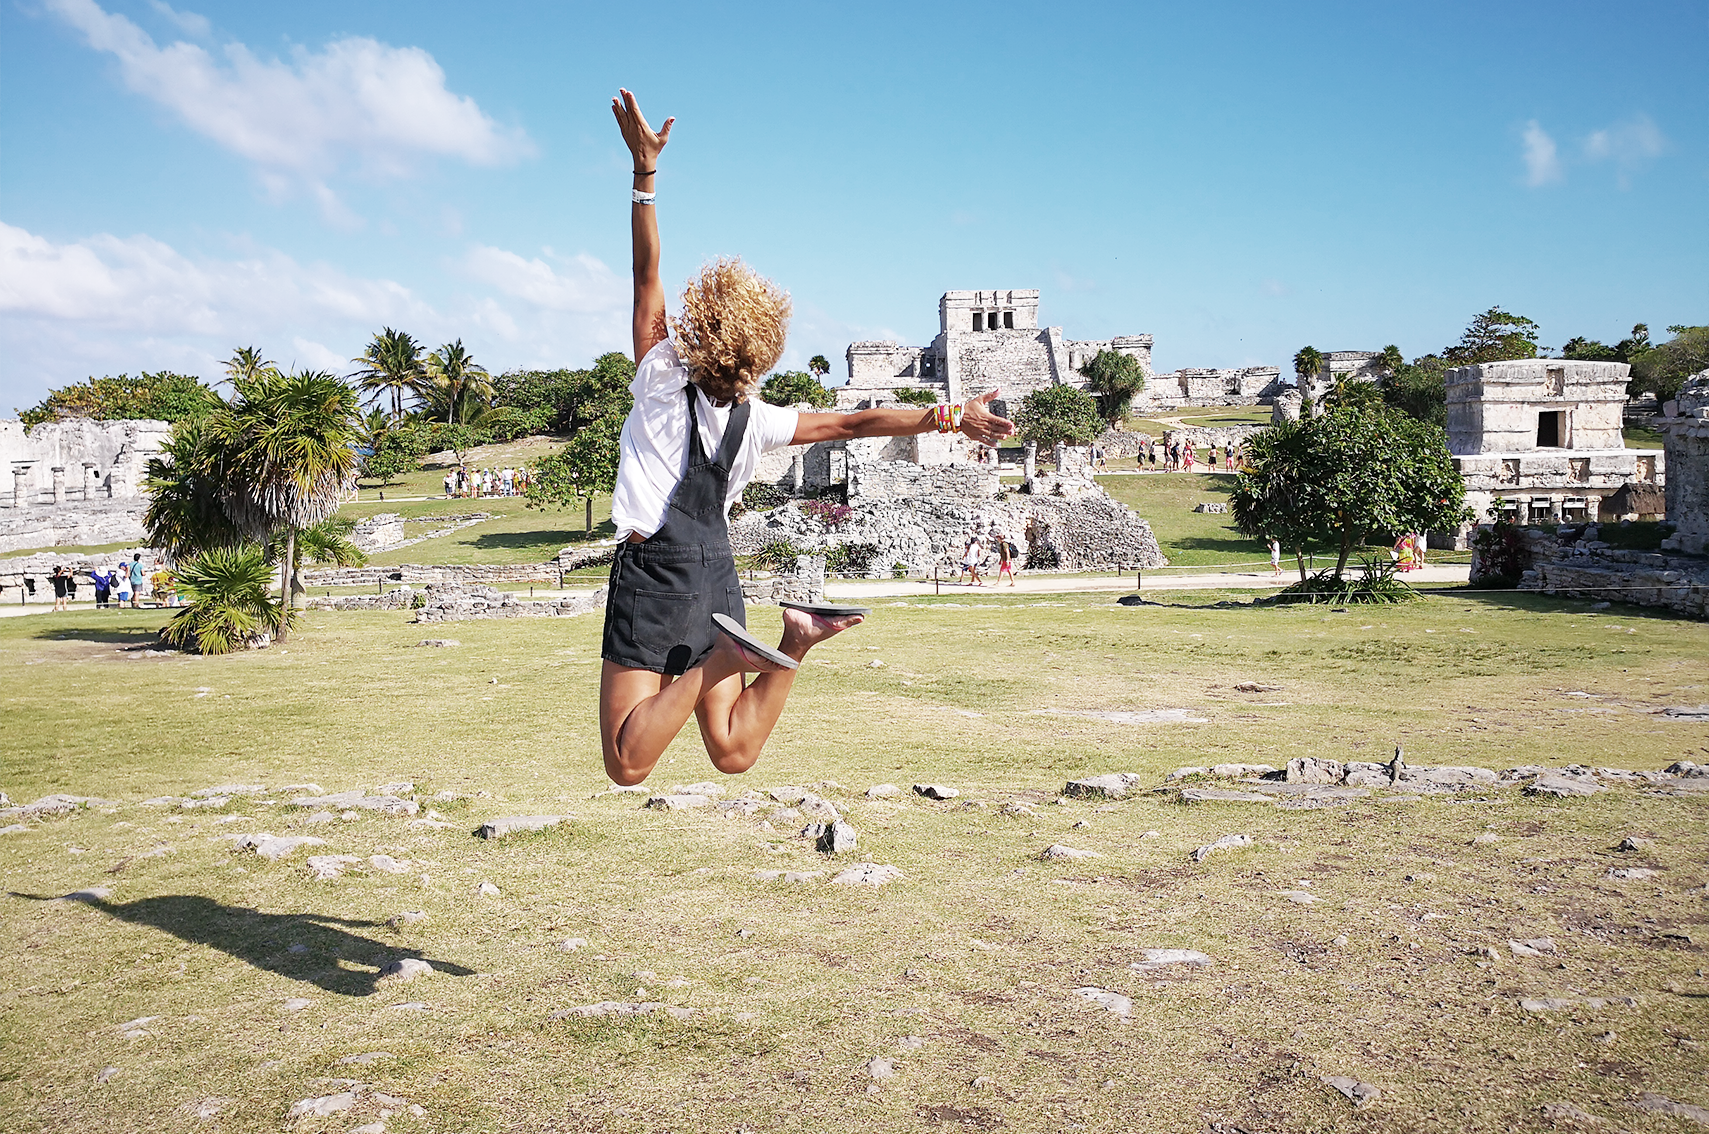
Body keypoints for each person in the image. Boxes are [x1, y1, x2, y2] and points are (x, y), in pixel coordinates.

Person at [599, 89, 1013, 789]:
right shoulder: (756, 417)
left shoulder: (661, 378)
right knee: (731, 751)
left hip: (656, 572)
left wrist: (645, 174)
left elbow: (646, 274)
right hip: (717, 572)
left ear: (701, 328)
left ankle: (726, 658)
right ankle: (793, 637)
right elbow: (853, 423)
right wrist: (949, 415)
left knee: (628, 763)